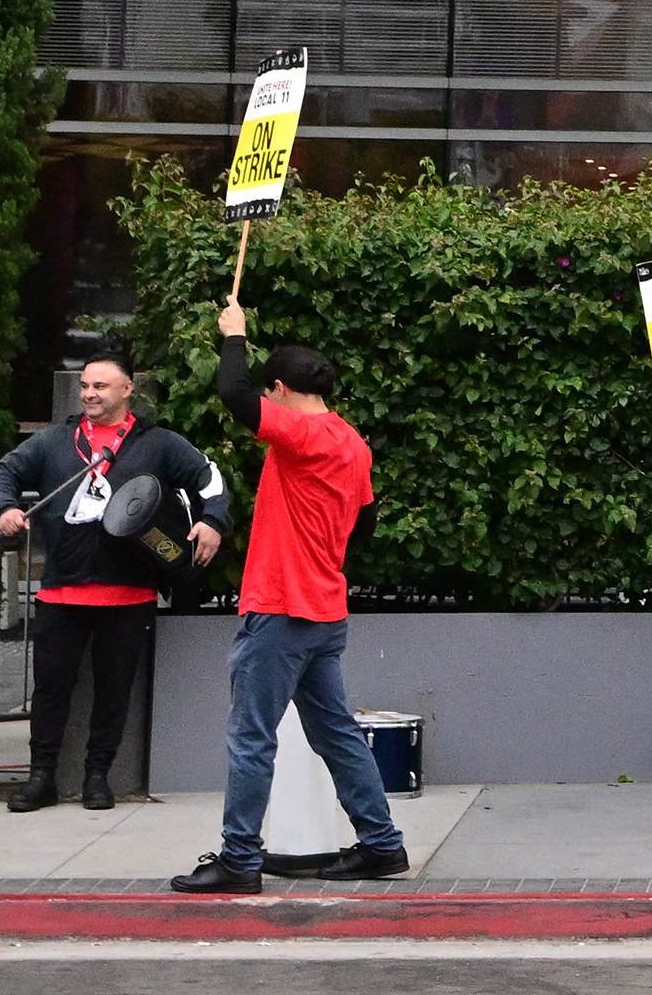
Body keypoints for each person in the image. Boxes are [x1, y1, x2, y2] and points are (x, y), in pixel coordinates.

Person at [172, 302, 405, 894]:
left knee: (251, 737)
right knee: (337, 734)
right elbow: (366, 523)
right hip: (323, 609)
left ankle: (239, 859)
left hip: (279, 608)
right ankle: (382, 845)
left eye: (270, 393)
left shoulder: (299, 434)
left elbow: (233, 392)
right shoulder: (353, 444)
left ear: (279, 389)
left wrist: (235, 335)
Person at [0, 344, 228, 813]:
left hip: (129, 594)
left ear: (128, 389)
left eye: (100, 385)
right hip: (61, 592)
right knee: (50, 690)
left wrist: (213, 520)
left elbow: (209, 478)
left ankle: (98, 776)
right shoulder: (55, 441)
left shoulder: (158, 443)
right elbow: (3, 472)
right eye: (85, 386)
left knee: (114, 692)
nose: (89, 394)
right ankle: (41, 777)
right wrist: (3, 508)